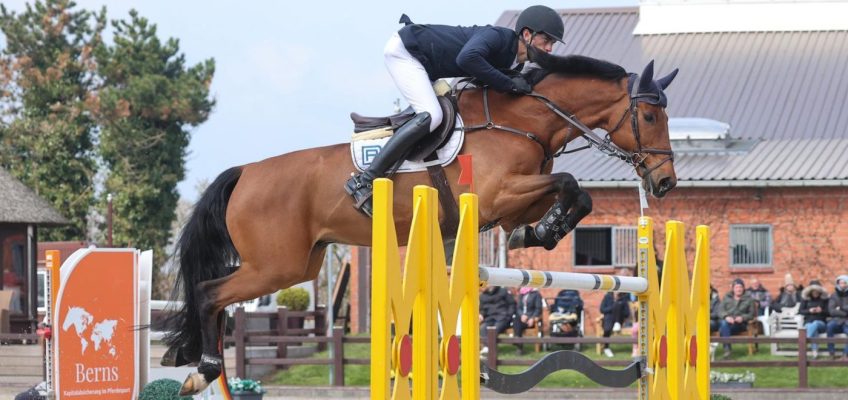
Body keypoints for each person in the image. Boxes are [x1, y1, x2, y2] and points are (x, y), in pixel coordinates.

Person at [345, 5, 565, 216]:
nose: (549, 49)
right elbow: (467, 58)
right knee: (432, 115)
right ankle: (364, 180)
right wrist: (509, 84)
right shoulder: (498, 37)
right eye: (546, 41)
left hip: (428, 66)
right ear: (526, 34)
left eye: (552, 44)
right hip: (407, 52)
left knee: (447, 112)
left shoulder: (513, 62)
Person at [718, 278, 755, 359]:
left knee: (722, 329)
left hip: (741, 325)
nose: (739, 289)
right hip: (729, 323)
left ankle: (727, 350)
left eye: (740, 287)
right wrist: (726, 317)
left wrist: (742, 318)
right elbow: (720, 310)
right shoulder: (727, 297)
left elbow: (751, 314)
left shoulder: (749, 299)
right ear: (733, 289)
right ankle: (727, 350)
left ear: (743, 288)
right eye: (736, 287)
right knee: (724, 323)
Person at [479, 286, 515, 354]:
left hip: (503, 317)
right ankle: (488, 348)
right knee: (482, 328)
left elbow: (512, 304)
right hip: (489, 318)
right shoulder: (482, 296)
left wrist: (509, 315)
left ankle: (490, 350)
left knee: (494, 329)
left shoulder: (503, 291)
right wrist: (481, 314)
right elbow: (482, 309)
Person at [799, 280, 828, 359]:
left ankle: (804, 341)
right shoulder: (806, 300)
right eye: (813, 291)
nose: (815, 293)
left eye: (817, 291)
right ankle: (815, 352)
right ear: (810, 292)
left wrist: (821, 311)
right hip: (808, 322)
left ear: (819, 291)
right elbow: (800, 311)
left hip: (821, 323)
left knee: (815, 323)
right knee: (812, 327)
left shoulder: (824, 300)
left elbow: (829, 312)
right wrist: (809, 310)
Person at [600, 291, 630, 358]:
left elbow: (627, 313)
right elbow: (602, 309)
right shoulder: (607, 297)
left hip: (619, 320)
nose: (617, 291)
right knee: (607, 329)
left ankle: (617, 323)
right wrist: (612, 308)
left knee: (618, 305)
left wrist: (618, 307)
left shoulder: (623, 298)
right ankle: (606, 348)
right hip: (609, 319)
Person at [513, 287, 543, 354]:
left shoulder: (536, 294)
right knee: (516, 320)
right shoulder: (522, 294)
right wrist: (522, 315)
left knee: (517, 324)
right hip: (522, 319)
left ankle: (517, 342)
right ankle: (519, 346)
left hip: (531, 320)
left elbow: (538, 308)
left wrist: (532, 318)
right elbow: (518, 308)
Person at [826, 275, 848, 360]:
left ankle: (845, 354)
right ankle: (831, 353)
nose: (842, 285)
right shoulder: (834, 295)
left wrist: (840, 308)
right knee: (829, 327)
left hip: (847, 322)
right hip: (836, 320)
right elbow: (832, 311)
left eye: (844, 283)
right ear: (838, 284)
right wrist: (845, 313)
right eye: (841, 283)